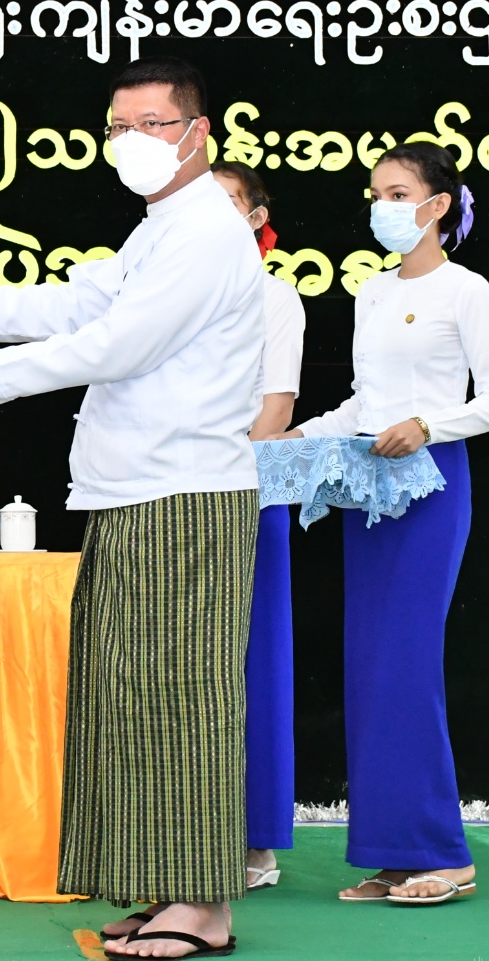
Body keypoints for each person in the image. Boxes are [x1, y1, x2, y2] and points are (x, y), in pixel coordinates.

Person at [0, 58, 264, 960]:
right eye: (120, 127)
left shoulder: (206, 232)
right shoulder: (160, 230)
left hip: (184, 492)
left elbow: (117, 343)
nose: (133, 142)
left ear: (198, 134)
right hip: (135, 489)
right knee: (130, 695)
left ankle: (205, 906)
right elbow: (82, 299)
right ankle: (165, 888)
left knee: (182, 695)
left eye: (154, 124)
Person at [280, 142, 489, 907]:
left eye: (398, 193)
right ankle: (391, 854)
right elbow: (364, 401)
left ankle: (444, 854)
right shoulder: (371, 293)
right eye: (376, 194)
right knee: (371, 668)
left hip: (431, 486)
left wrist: (428, 425)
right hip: (368, 490)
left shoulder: (466, 290)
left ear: (437, 206)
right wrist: (299, 435)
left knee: (408, 665)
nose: (382, 206)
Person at [211, 160, 304, 891]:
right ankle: (185, 834)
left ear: (255, 218)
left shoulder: (276, 299)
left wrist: (218, 475)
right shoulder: (168, 293)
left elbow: (275, 412)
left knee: (252, 666)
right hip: (169, 497)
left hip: (244, 494)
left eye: (227, 204)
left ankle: (254, 841)